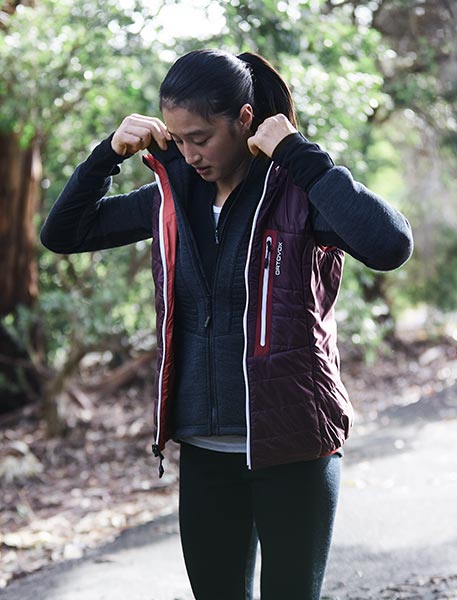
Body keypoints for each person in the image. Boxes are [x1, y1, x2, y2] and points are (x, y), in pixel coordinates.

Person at [41, 49, 413, 600]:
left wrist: (300, 155)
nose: (189, 154)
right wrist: (105, 156)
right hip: (205, 449)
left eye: (200, 138)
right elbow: (64, 234)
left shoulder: (298, 196)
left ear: (243, 119)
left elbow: (390, 245)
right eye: (177, 139)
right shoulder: (170, 199)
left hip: (293, 445)